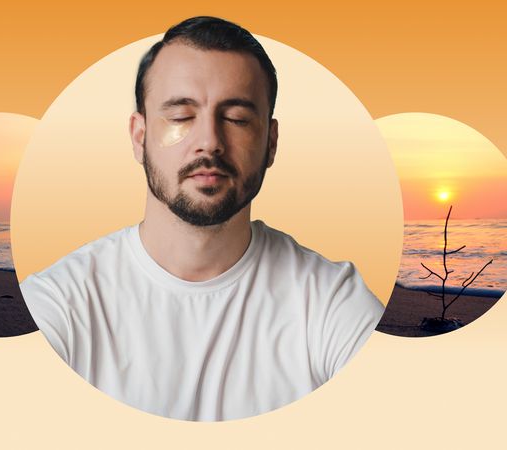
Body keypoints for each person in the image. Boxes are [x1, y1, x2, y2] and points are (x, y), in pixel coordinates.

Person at [20, 16, 384, 421]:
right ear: (140, 138)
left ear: (272, 143)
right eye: (180, 116)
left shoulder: (330, 300)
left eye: (237, 119)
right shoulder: (62, 301)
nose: (209, 140)